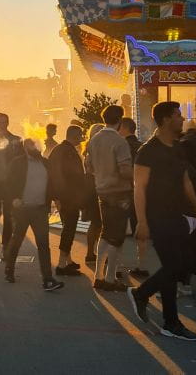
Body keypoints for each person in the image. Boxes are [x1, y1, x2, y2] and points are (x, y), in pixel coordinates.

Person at [127, 101, 196, 341]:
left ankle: (166, 318)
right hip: (156, 216)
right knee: (174, 266)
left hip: (178, 215)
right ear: (164, 120)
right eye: (178, 115)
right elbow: (138, 188)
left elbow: (185, 182)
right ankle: (151, 303)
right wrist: (141, 222)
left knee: (179, 267)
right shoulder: (147, 150)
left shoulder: (178, 148)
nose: (182, 119)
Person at [4, 139, 65, 292]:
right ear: (25, 147)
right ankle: (9, 269)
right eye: (31, 145)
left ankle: (47, 279)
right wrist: (14, 199)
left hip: (40, 210)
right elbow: (9, 184)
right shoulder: (17, 163)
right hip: (22, 210)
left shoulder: (45, 163)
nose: (35, 148)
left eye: (37, 145)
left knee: (43, 244)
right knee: (17, 239)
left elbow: (52, 183)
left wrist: (56, 199)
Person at [86, 107, 134, 291]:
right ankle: (110, 278)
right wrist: (137, 178)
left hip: (102, 191)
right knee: (117, 238)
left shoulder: (94, 140)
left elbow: (89, 167)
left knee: (106, 233)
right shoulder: (119, 142)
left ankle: (98, 275)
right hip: (119, 193)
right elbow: (124, 170)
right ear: (120, 120)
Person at [48, 124, 86, 277]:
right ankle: (62, 264)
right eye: (80, 135)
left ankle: (68, 260)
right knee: (69, 228)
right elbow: (59, 175)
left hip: (66, 196)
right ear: (74, 135)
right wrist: (59, 197)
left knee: (67, 227)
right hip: (68, 197)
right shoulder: (66, 151)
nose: (82, 137)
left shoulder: (61, 149)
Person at [0, 113, 23, 264]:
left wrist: (19, 185)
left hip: (10, 186)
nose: (2, 125)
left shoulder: (16, 140)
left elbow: (21, 163)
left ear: (8, 123)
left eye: (4, 122)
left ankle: (5, 247)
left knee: (9, 218)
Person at [118, 118, 148, 278]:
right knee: (140, 227)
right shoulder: (142, 146)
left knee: (119, 230)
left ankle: (117, 265)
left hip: (124, 192)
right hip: (141, 192)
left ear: (124, 128)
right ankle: (141, 264)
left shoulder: (122, 146)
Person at [82, 123, 106, 268]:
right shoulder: (93, 150)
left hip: (93, 188)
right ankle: (92, 253)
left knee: (97, 223)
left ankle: (92, 252)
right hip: (96, 188)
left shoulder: (90, 149)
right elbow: (93, 171)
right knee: (98, 223)